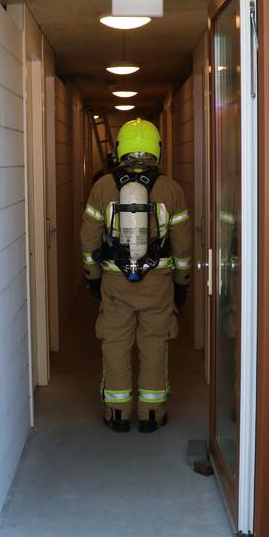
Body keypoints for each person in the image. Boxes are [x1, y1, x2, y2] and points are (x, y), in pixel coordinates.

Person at [80, 118, 192, 433]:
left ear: (120, 149)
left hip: (115, 284)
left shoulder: (102, 187)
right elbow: (183, 243)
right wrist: (182, 282)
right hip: (158, 284)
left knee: (115, 345)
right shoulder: (171, 189)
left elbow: (88, 238)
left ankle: (117, 413)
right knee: (154, 345)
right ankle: (151, 414)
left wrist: (92, 276)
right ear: (157, 148)